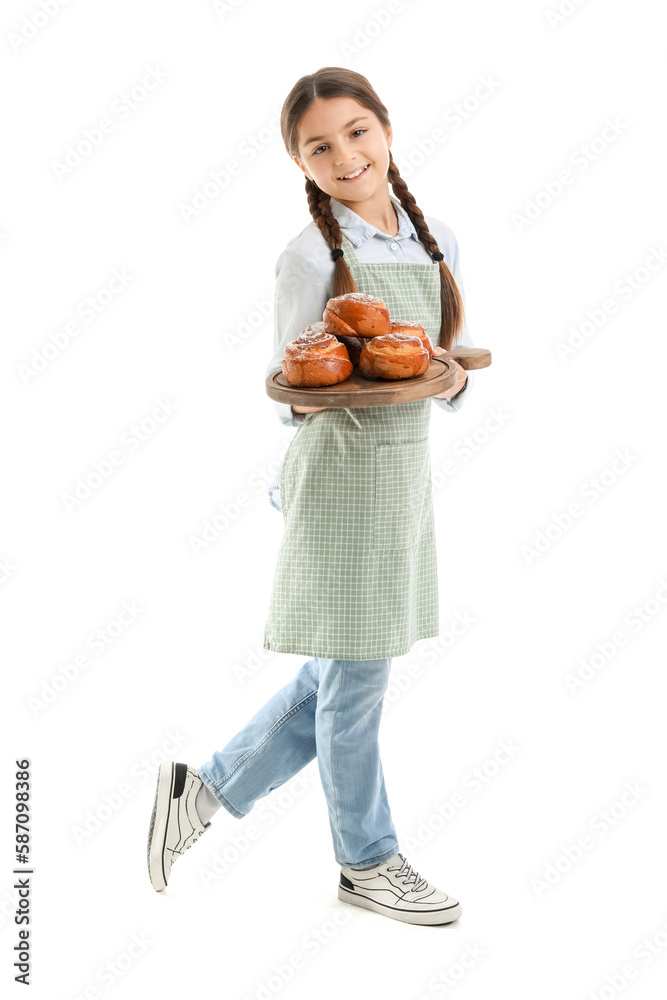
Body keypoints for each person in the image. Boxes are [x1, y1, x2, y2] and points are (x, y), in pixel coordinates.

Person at [147, 67, 477, 926]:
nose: (345, 155)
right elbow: (290, 385)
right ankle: (367, 861)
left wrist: (444, 377)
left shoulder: (432, 237)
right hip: (337, 480)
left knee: (344, 666)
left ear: (387, 131)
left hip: (401, 477)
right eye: (319, 145)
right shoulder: (307, 255)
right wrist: (341, 381)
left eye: (357, 132)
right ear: (299, 161)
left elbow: (456, 362)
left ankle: (204, 787)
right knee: (360, 678)